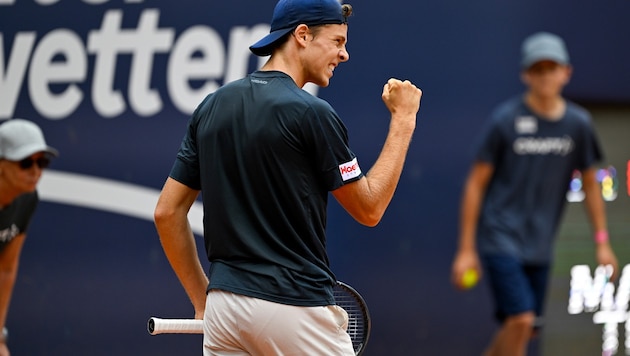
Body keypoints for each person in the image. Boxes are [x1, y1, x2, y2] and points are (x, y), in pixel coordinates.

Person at [153, 0, 422, 354]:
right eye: (338, 42)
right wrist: (404, 121)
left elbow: (166, 212)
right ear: (303, 35)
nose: (345, 55)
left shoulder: (211, 107)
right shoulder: (313, 113)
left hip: (224, 313)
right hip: (292, 307)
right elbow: (369, 208)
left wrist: (203, 301)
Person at [450, 31, 619, 356]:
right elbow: (475, 183)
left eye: (552, 68)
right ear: (526, 75)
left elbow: (590, 182)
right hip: (500, 237)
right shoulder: (505, 121)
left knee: (521, 329)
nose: (545, 76)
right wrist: (466, 249)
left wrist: (602, 242)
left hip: (540, 245)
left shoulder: (578, 124)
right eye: (537, 69)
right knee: (521, 320)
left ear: (566, 72)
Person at [0, 119, 58, 356]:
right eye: (25, 163)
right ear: (2, 165)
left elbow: (6, 268)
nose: (36, 172)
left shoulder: (27, 199)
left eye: (42, 162)